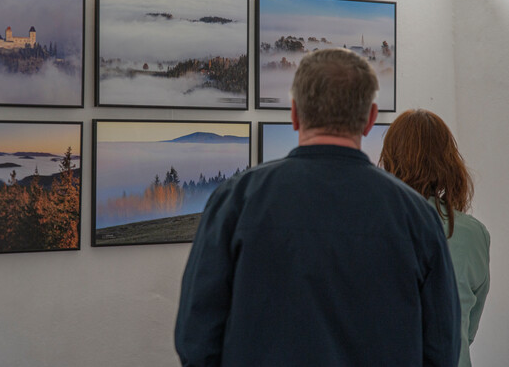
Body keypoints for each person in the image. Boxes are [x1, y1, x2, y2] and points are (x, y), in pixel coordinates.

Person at [174, 48, 460, 366]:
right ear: (370, 119)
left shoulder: (236, 201)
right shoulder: (418, 217)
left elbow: (196, 340)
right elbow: (441, 349)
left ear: (295, 113)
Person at [380, 109, 491, 367]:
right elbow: (467, 329)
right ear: (448, 161)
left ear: (388, 158)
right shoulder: (473, 233)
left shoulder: (371, 223)